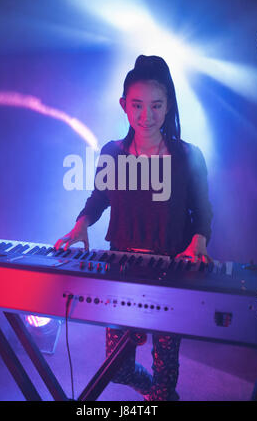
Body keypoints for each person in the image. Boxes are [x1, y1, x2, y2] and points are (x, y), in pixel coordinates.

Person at [54, 55, 213, 401]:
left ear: (169, 105)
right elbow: (98, 198)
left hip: (170, 274)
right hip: (120, 270)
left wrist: (198, 240)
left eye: (156, 105)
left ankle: (162, 396)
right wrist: (81, 225)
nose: (147, 115)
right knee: (118, 367)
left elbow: (202, 211)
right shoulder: (112, 153)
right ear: (124, 105)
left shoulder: (188, 156)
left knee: (164, 376)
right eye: (138, 105)